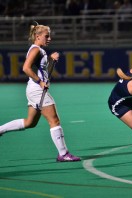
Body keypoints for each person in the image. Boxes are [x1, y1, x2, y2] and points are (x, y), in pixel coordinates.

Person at [0, 23, 80, 162]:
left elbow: (43, 72)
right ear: (37, 36)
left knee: (30, 122)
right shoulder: (36, 49)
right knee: (54, 120)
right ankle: (63, 154)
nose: (49, 38)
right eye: (46, 36)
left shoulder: (40, 50)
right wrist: (40, 82)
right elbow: (26, 68)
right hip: (37, 90)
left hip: (34, 89)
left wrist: (51, 60)